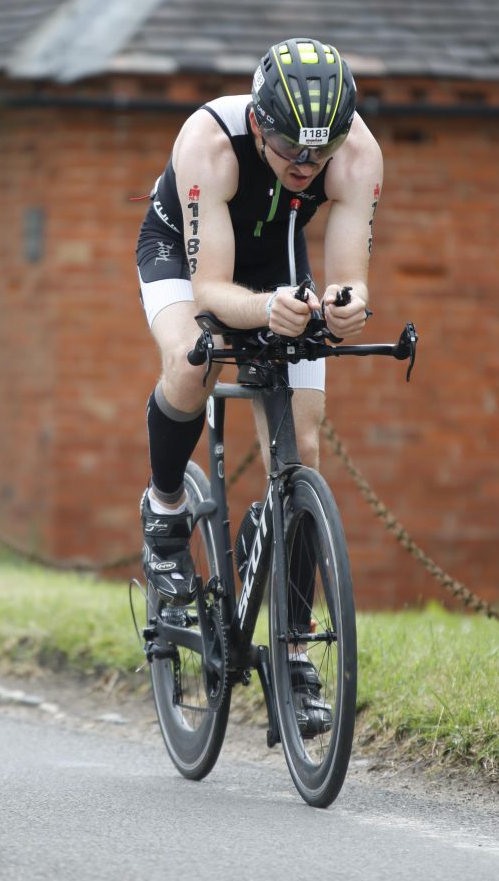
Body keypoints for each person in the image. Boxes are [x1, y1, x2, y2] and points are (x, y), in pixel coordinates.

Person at [136, 37, 382, 609]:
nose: (306, 164)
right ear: (257, 121)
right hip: (182, 250)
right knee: (191, 360)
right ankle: (165, 508)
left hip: (276, 254)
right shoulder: (209, 143)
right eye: (290, 146)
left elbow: (350, 278)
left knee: (304, 451)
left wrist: (346, 306)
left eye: (321, 151)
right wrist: (268, 309)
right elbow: (211, 290)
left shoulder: (357, 153)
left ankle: (296, 655)